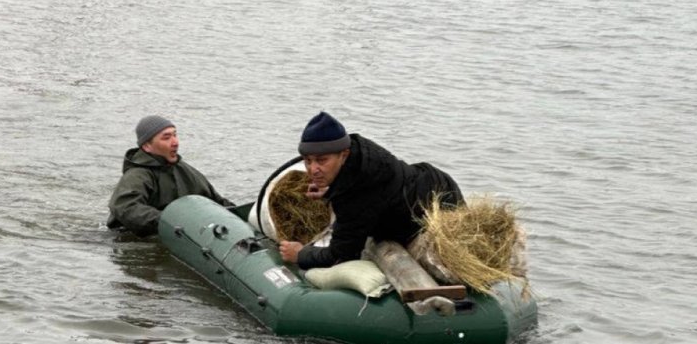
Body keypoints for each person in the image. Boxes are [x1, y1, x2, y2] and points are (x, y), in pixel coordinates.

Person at [278, 111, 464, 269]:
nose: (313, 169)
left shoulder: (359, 193)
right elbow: (371, 192)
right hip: (429, 181)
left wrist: (300, 254)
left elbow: (341, 255)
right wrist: (331, 191)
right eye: (308, 161)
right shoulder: (359, 150)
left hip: (438, 206)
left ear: (344, 155)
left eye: (322, 160)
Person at [107, 115, 234, 237]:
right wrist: (171, 221)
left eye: (175, 135)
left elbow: (216, 202)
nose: (175, 142)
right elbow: (126, 208)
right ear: (147, 146)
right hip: (131, 237)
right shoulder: (137, 175)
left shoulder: (186, 171)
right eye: (166, 138)